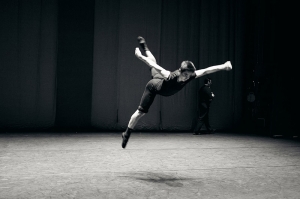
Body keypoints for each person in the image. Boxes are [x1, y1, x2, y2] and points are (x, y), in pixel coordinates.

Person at [121, 36, 232, 148]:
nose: (186, 78)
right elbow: (155, 66)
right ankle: (126, 134)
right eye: (185, 75)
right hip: (154, 86)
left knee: (153, 60)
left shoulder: (190, 76)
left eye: (189, 76)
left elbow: (207, 70)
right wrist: (139, 56)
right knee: (141, 112)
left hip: (159, 79)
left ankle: (145, 46)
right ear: (180, 71)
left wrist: (224, 66)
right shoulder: (170, 76)